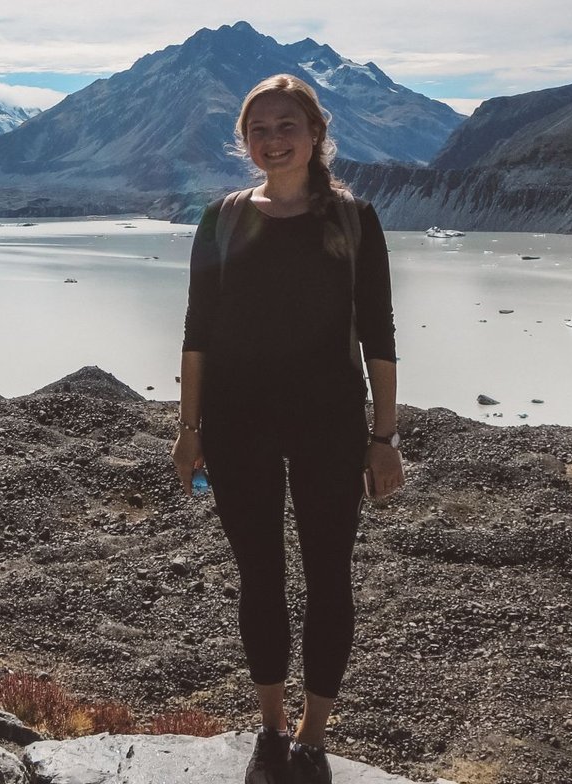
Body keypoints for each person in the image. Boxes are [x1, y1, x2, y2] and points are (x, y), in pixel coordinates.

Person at [173, 73, 403, 784]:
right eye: (259, 130)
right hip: (237, 424)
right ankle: (270, 726)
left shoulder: (353, 219)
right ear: (245, 142)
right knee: (260, 578)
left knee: (330, 576)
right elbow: (197, 333)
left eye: (286, 126)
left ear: (315, 134)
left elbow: (379, 336)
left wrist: (384, 438)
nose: (273, 140)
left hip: (330, 424)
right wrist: (188, 428)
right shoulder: (223, 219)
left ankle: (313, 732)